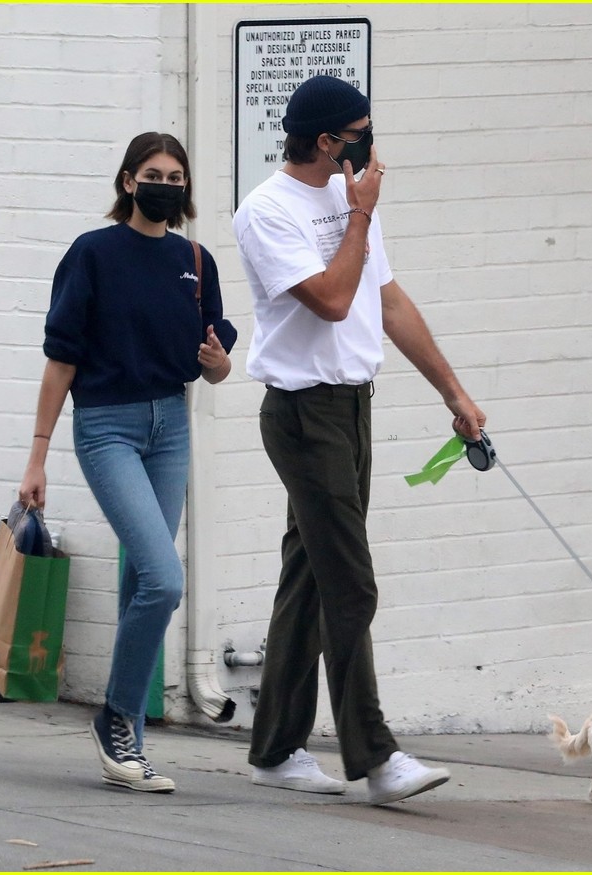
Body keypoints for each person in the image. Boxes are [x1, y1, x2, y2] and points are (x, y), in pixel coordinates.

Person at [233, 75, 486, 806]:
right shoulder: (268, 210)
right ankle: (375, 754)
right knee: (351, 581)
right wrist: (359, 218)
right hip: (302, 413)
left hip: (351, 408)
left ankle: (276, 748)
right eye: (360, 133)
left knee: (310, 578)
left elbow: (387, 298)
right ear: (324, 141)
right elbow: (335, 299)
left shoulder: (352, 204)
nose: (371, 147)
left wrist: (454, 392)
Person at [19, 131, 236, 794]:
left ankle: (127, 745)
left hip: (170, 423)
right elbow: (61, 358)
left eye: (175, 175)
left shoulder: (194, 258)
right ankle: (117, 714)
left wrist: (221, 363)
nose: (165, 184)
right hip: (106, 427)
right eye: (153, 173)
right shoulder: (93, 254)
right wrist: (38, 457)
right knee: (165, 580)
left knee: (144, 579)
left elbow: (217, 345)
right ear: (126, 182)